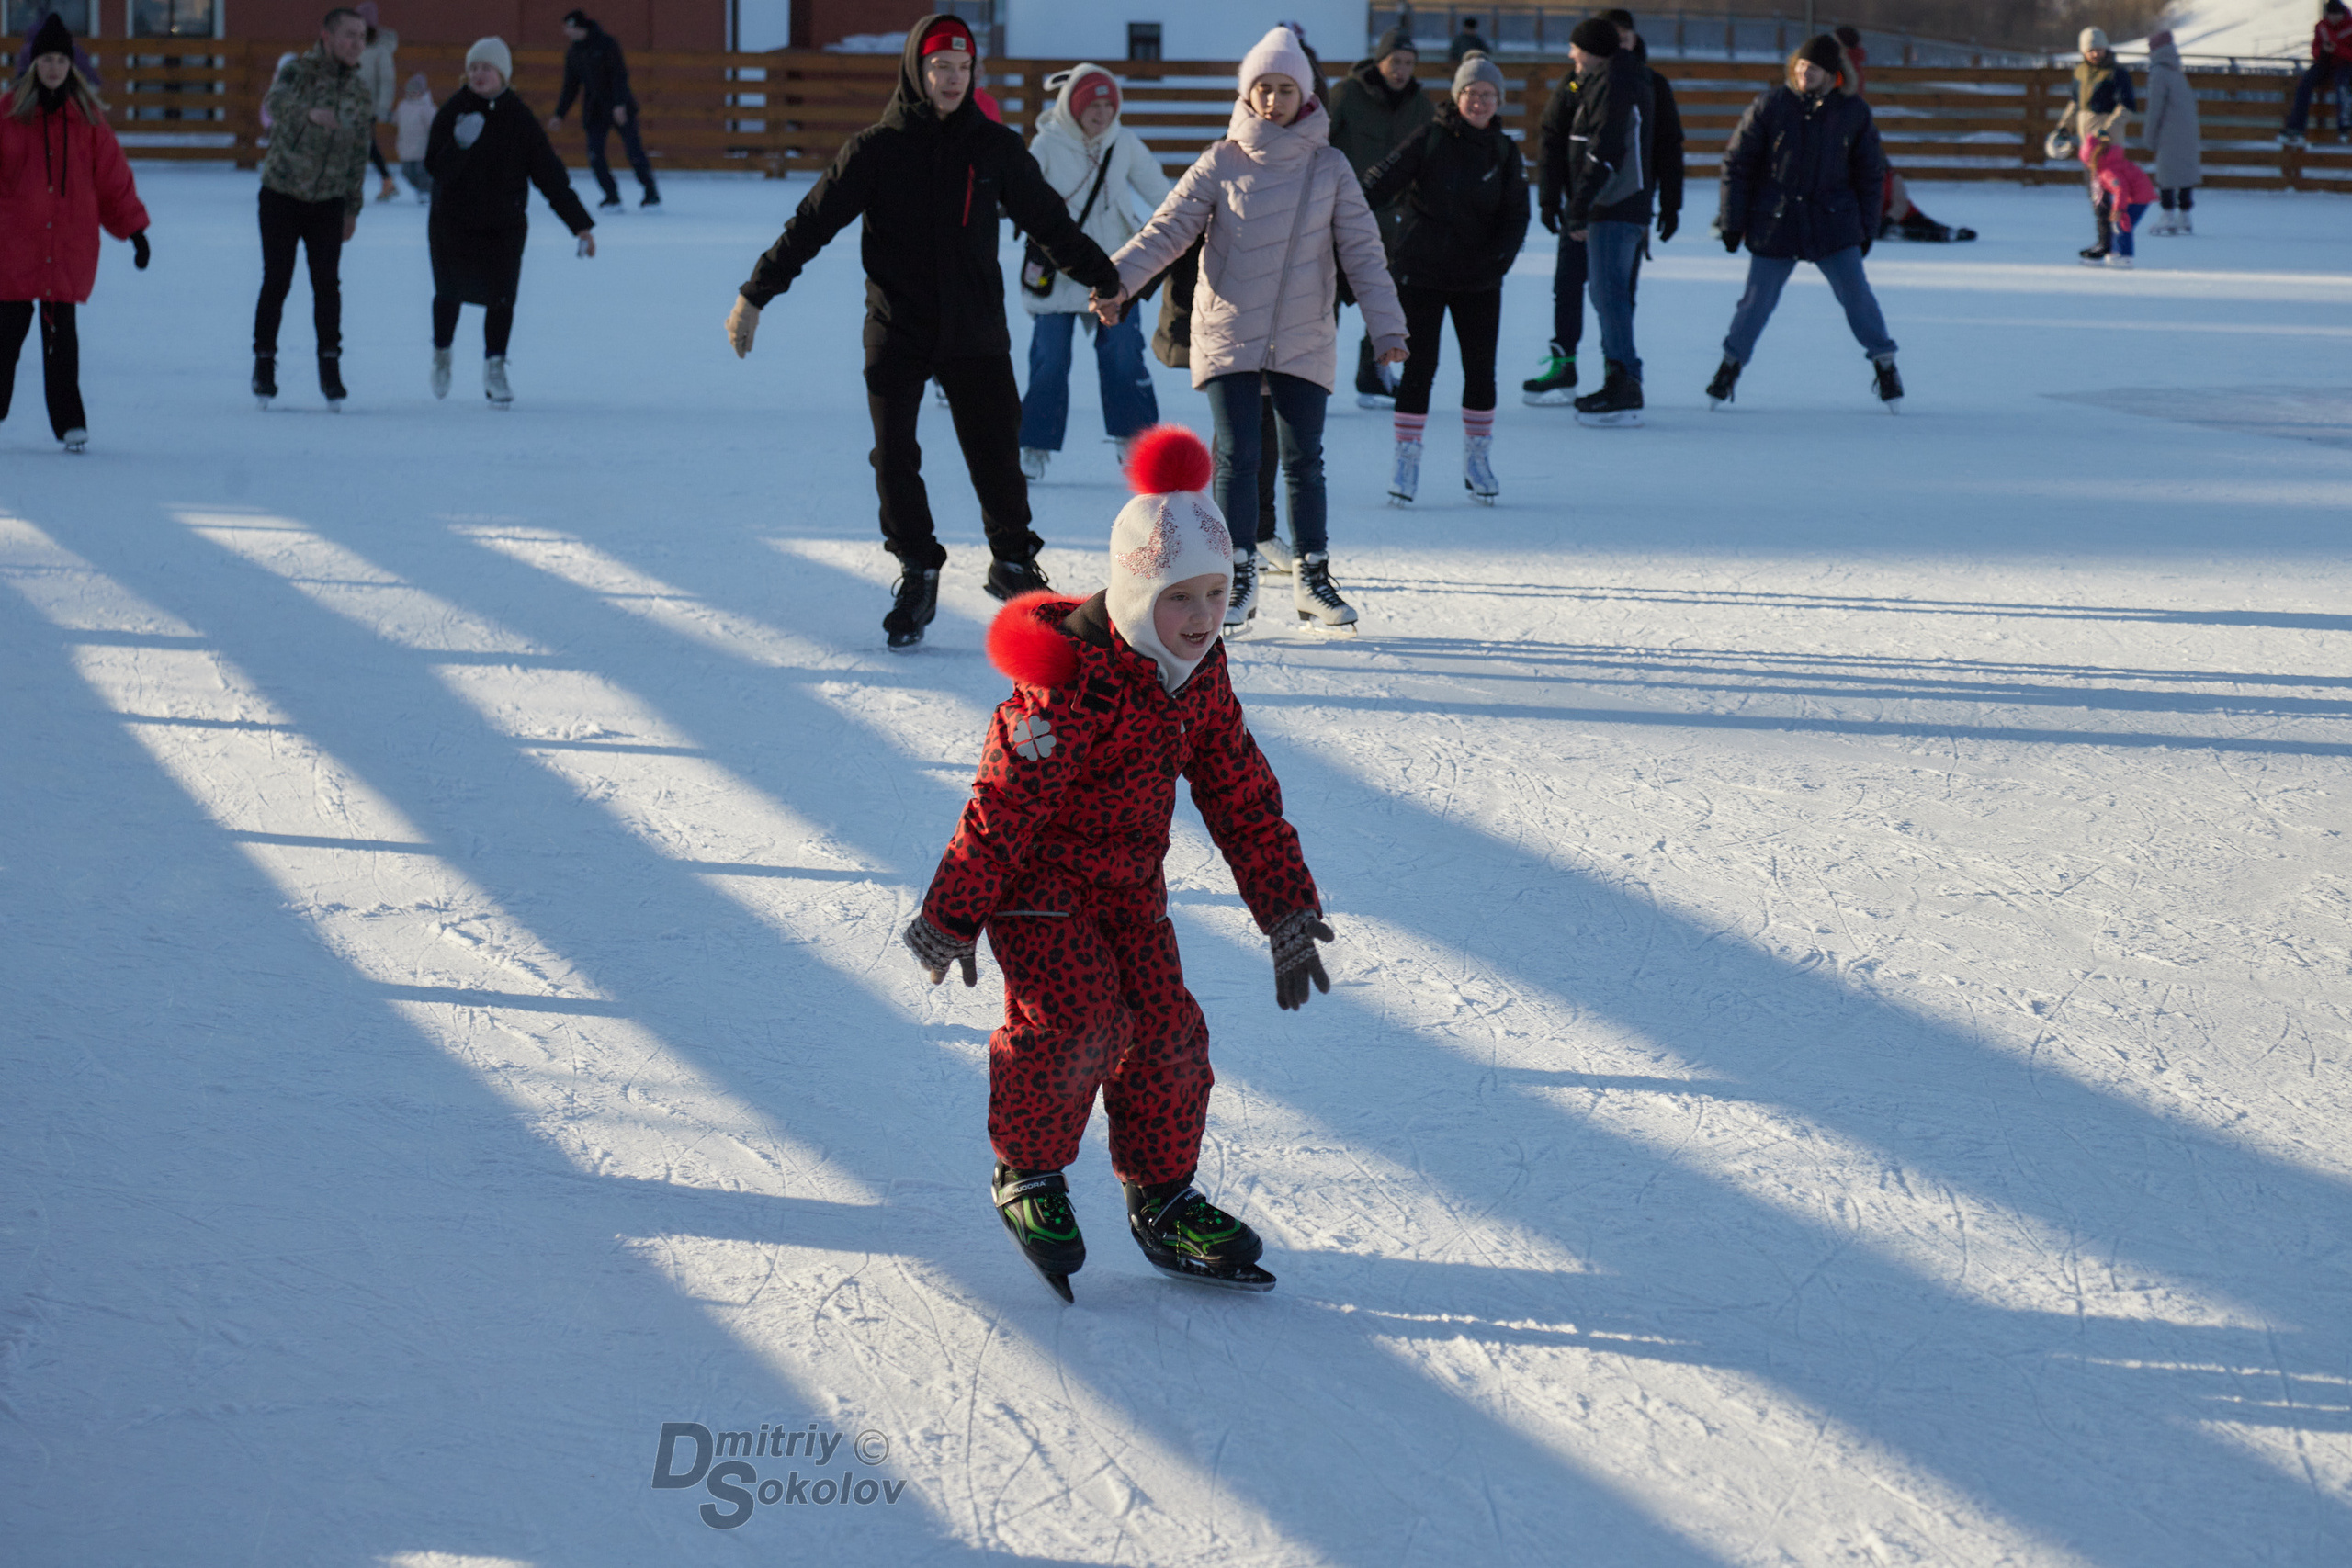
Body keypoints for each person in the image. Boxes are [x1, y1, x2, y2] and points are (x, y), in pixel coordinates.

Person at [901, 424, 1334, 1300]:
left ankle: (1162, 1193)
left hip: (1131, 892)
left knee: (1172, 1033)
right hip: (1037, 889)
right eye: (1183, 597)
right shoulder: (1067, 684)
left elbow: (1243, 794)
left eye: (1219, 594)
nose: (1206, 617)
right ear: (1138, 592)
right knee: (1080, 1023)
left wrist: (1286, 910)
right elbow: (1000, 808)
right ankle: (1026, 1169)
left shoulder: (1200, 675)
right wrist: (951, 914)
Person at [726, 16, 1119, 650]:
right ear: (917, 70)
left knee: (996, 450)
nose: (952, 79)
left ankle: (1012, 562)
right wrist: (755, 294)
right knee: (894, 454)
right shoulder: (876, 149)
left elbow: (1049, 222)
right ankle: (918, 566)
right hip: (898, 324)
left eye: (963, 68)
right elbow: (811, 224)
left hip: (975, 326)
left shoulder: (993, 147)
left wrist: (1103, 278)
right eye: (941, 67)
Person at [1094, 26, 1408, 633]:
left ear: (1305, 95)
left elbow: (1364, 253)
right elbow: (1167, 230)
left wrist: (1387, 326)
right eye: (1262, 88)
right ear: (1247, 93)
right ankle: (1235, 577)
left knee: (1303, 460)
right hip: (1228, 330)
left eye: (1284, 89)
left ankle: (1312, 577)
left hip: (1303, 333)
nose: (1271, 100)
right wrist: (1117, 282)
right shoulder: (1220, 161)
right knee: (1237, 457)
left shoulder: (1330, 168)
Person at [1362, 50, 1526, 505]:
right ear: (1457, 97)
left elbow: (1517, 215)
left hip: (1479, 281)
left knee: (1481, 371)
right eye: (1472, 93)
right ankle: (1407, 459)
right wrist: (1346, 201)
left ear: (1499, 101)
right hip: (1422, 275)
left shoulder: (1504, 151)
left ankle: (1477, 459)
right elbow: (1383, 179)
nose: (1480, 102)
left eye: (1489, 95)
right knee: (1419, 369)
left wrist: (1497, 262)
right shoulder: (1430, 137)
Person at [1704, 34, 1901, 413]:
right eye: (1798, 66)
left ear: (1831, 74)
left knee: (1857, 296)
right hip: (1777, 221)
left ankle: (1885, 364)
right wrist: (1733, 221)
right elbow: (1737, 163)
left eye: (1811, 68)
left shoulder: (1852, 112)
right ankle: (1729, 367)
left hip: (1834, 223)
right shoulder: (1772, 105)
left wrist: (1865, 226)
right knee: (1755, 303)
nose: (1802, 73)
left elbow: (1870, 173)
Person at [0, 14, 150, 453]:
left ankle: (70, 422)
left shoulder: (86, 120)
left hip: (66, 244)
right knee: (5, 333)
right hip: (14, 244)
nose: (53, 68)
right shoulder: (8, 115)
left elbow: (112, 180)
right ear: (33, 64)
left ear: (71, 66)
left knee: (62, 337)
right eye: (46, 59)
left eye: (61, 60)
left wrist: (135, 230)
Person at [424, 38, 596, 407]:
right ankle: (442, 353)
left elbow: (549, 174)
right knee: (449, 292)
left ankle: (495, 366)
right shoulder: (454, 110)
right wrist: (458, 144)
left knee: (501, 298)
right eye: (473, 68)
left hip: (503, 224)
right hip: (452, 222)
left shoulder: (519, 117)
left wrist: (580, 224)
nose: (478, 74)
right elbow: (433, 169)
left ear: (502, 73)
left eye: (486, 67)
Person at [1016, 64, 1168, 481]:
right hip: (1058, 272)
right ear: (1072, 107)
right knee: (1050, 358)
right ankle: (1034, 444)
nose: (1102, 114)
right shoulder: (1046, 145)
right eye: (1092, 105)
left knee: (1122, 355)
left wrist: (1186, 229)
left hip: (1114, 272)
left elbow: (1161, 194)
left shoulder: (1124, 143)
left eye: (1108, 105)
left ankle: (1136, 442)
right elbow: (1018, 197)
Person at [252, 6, 376, 411]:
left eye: (361, 36)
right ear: (326, 36)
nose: (356, 43)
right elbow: (274, 105)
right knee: (278, 280)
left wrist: (352, 208)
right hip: (283, 194)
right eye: (349, 35)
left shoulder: (359, 91)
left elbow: (360, 153)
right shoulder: (299, 72)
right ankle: (264, 364)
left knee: (327, 286)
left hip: (328, 202)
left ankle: (330, 368)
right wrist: (308, 114)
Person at [1328, 25, 1432, 408]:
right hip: (1337, 217)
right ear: (1380, 59)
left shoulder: (1421, 106)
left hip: (1391, 221)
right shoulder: (1346, 94)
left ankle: (1373, 373)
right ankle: (1311, 379)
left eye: (1409, 62)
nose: (1401, 69)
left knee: (1389, 299)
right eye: (1395, 60)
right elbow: (1317, 145)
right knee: (1325, 301)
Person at [1559, 17, 1653, 427]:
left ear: (1592, 50)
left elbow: (1606, 151)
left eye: (1575, 47)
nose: (1571, 55)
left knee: (1609, 294)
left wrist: (1580, 206)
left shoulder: (1613, 83)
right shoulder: (1612, 79)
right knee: (1607, 295)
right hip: (1617, 205)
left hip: (1615, 206)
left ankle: (1624, 382)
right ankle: (1621, 377)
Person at [1834, 24, 1976, 243]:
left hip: (1852, 133)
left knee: (1883, 184)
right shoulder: (1847, 64)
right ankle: (1919, 226)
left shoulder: (1842, 65)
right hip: (1856, 135)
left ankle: (1922, 228)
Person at [551, 9, 658, 210]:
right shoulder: (574, 52)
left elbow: (619, 75)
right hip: (595, 111)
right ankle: (611, 196)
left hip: (620, 108)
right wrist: (559, 114)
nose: (565, 32)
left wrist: (619, 104)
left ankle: (651, 194)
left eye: (568, 27)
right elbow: (570, 87)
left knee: (634, 152)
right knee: (595, 155)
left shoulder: (607, 44)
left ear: (579, 27)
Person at [2051, 27, 2135, 259]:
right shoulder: (2080, 72)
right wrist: (2063, 127)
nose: (2095, 54)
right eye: (2090, 50)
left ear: (2106, 47)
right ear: (2083, 52)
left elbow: (2127, 107)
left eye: (2098, 49)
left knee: (2110, 193)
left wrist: (2107, 130)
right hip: (2088, 146)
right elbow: (2075, 104)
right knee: (2095, 194)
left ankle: (2112, 242)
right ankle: (2105, 240)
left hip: (2108, 145)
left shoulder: (2117, 74)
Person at [2142, 30, 2201, 235]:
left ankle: (2167, 216)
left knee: (2166, 175)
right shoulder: (2177, 71)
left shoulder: (2159, 72)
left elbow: (2155, 108)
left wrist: (2149, 136)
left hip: (2169, 132)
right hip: (2187, 131)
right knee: (2185, 172)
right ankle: (2185, 217)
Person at [2281, 0, 2352, 147]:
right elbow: (2315, 49)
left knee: (2342, 85)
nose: (2333, 18)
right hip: (2324, 63)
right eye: (2330, 15)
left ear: (2342, 14)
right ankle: (2296, 127)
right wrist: (2322, 51)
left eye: (2336, 15)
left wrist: (2337, 50)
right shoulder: (2322, 27)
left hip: (2345, 65)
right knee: (2304, 84)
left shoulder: (2350, 28)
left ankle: (2344, 126)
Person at [2078, 132, 2154, 268]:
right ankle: (2116, 252)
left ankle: (2125, 256)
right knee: (2119, 223)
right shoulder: (2108, 164)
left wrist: (2118, 209)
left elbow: (2121, 189)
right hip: (2136, 195)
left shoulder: (2108, 171)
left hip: (2139, 197)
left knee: (2123, 223)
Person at [356, 2, 401, 202]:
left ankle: (387, 181)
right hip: (350, 105)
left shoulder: (380, 50)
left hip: (368, 107)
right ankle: (386, 181)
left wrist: (383, 107)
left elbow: (386, 80)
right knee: (363, 146)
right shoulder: (355, 46)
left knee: (366, 145)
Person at [393, 71, 433, 201]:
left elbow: (433, 124)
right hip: (406, 146)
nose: (413, 94)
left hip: (422, 147)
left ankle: (425, 191)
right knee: (407, 172)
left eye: (416, 91)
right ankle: (420, 189)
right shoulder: (403, 105)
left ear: (422, 92)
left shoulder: (427, 107)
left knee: (422, 172)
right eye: (410, 91)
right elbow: (397, 120)